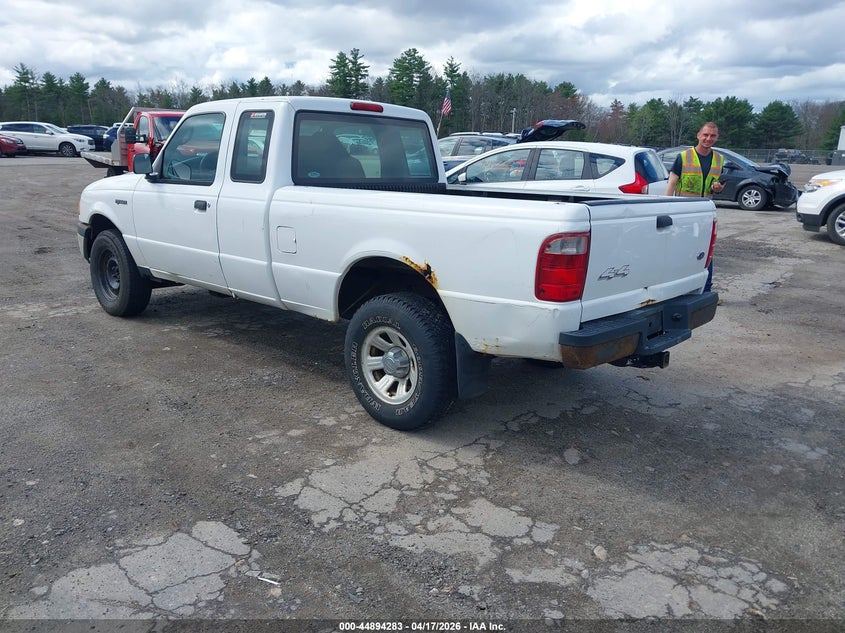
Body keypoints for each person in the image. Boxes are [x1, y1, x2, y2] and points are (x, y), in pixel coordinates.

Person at [665, 122, 724, 293]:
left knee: (706, 252)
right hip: (683, 214)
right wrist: (666, 208)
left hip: (705, 215)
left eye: (712, 136)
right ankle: (676, 290)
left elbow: (717, 184)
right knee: (680, 252)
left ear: (717, 138)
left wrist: (718, 188)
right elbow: (671, 183)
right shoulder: (683, 157)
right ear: (698, 135)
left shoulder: (719, 159)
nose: (708, 138)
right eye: (705, 135)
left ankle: (705, 291)